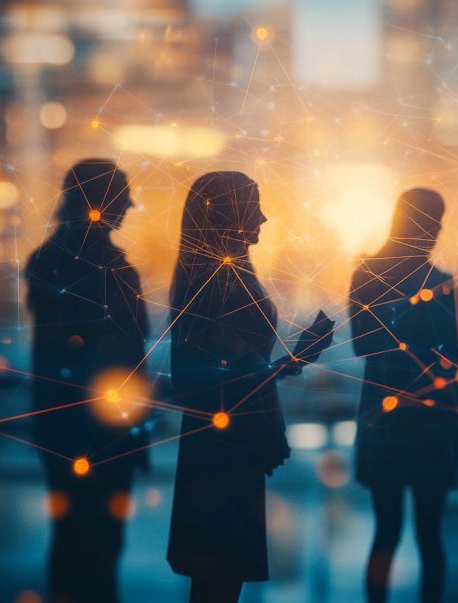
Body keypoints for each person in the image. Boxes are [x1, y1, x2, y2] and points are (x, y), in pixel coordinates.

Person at [167, 171, 332, 603]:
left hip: (222, 443)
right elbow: (205, 375)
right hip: (226, 448)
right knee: (221, 572)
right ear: (229, 214)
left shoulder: (216, 274)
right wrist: (292, 362)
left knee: (218, 574)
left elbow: (222, 372)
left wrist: (288, 364)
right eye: (252, 204)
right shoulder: (217, 282)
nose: (262, 215)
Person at [26, 159, 149, 603]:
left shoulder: (46, 263)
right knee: (101, 542)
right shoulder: (109, 271)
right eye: (120, 200)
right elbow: (124, 356)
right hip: (103, 430)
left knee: (72, 536)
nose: (125, 210)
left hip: (60, 425)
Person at [349, 188, 458, 603]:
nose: (435, 231)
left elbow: (363, 346)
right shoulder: (443, 284)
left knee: (387, 532)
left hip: (385, 418)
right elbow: (456, 362)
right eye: (433, 221)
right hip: (432, 422)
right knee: (430, 535)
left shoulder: (366, 273)